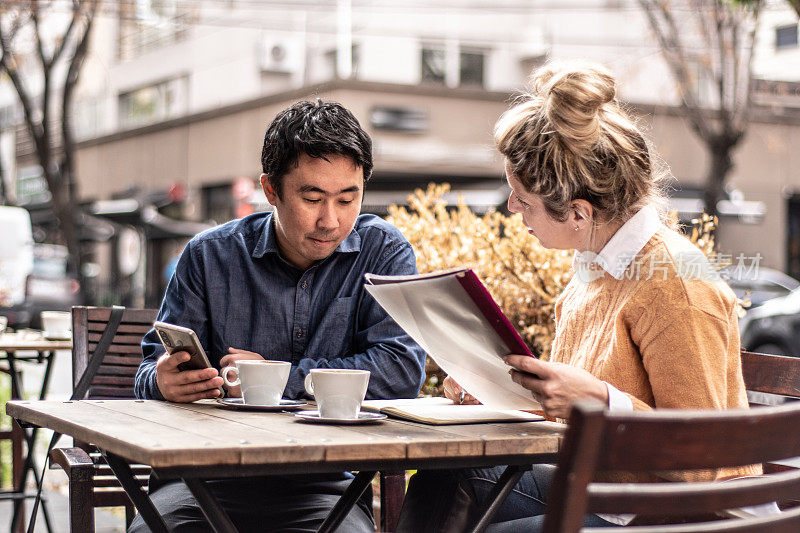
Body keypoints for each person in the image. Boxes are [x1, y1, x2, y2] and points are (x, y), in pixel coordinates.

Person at [395, 62, 759, 532]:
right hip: (615, 490)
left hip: (692, 513)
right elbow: (572, 411)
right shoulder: (595, 267)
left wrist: (601, 402)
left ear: (579, 212)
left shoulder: (675, 285)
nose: (511, 208)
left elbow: (701, 460)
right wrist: (496, 391)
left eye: (522, 199)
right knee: (448, 471)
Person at [131, 99, 427, 532]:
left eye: (349, 199)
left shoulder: (382, 250)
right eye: (312, 198)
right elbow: (147, 372)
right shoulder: (209, 256)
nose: (331, 220)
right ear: (271, 190)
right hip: (200, 479)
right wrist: (161, 381)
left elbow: (401, 371)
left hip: (326, 487)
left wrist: (273, 378)